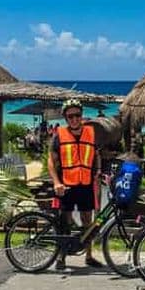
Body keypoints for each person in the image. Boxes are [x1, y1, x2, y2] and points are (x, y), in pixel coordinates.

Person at [47, 98, 103, 269]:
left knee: (88, 221)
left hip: (85, 184)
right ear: (65, 118)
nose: (74, 119)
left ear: (82, 115)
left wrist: (98, 171)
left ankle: (89, 256)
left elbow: (96, 154)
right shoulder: (59, 135)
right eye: (70, 116)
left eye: (77, 115)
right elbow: (51, 161)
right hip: (67, 185)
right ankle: (61, 257)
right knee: (66, 221)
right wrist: (56, 182)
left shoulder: (91, 132)